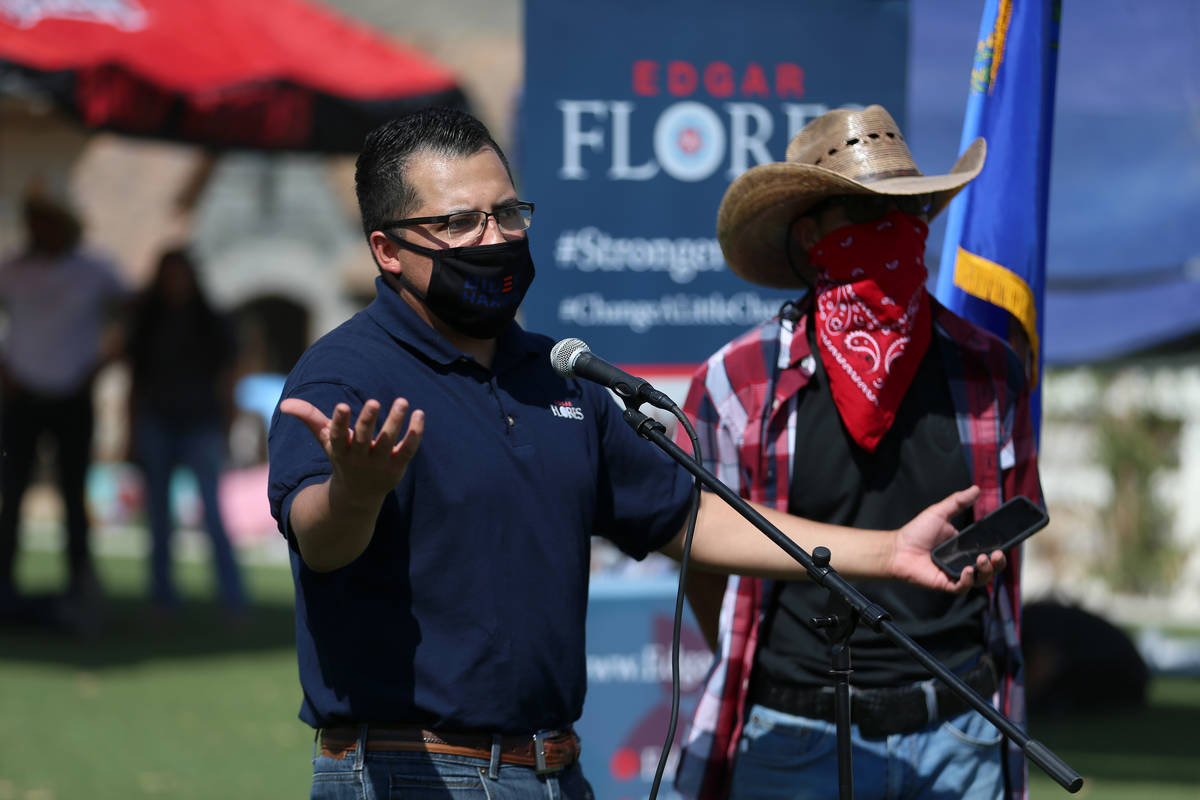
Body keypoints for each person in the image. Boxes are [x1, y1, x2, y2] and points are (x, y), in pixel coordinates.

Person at [266, 107, 1005, 799]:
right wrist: (356, 492)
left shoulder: (553, 371)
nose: (494, 239)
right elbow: (319, 539)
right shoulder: (345, 377)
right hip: (412, 771)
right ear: (387, 250)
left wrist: (890, 551)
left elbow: (691, 519)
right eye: (459, 222)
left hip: (553, 767)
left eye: (508, 213)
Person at [672, 105, 1043, 800]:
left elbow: (1015, 527)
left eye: (909, 214)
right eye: (864, 216)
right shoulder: (736, 381)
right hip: (793, 735)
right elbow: (702, 550)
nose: (895, 235)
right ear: (810, 236)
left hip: (959, 736)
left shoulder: (990, 369)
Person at [0, 178, 128, 627]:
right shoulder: (12, 269)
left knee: (74, 496)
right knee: (11, 493)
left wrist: (100, 364)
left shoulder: (95, 270)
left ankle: (79, 588)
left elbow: (131, 316)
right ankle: (5, 587)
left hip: (73, 394)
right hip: (21, 395)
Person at [126, 247, 247, 618]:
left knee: (212, 514)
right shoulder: (148, 323)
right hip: (158, 422)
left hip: (201, 425)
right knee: (159, 519)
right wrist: (130, 432)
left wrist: (228, 426)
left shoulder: (210, 322)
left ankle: (232, 599)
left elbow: (228, 378)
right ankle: (163, 598)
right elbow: (136, 382)